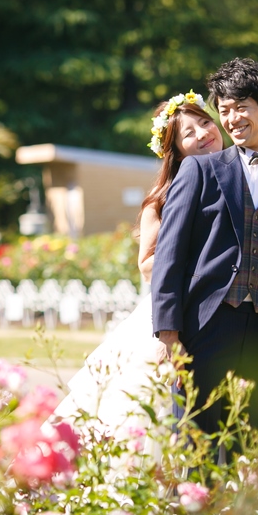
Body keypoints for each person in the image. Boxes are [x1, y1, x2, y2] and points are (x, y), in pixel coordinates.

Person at [50, 91, 223, 457]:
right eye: (188, 132)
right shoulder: (161, 199)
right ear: (175, 151)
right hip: (172, 312)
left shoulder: (241, 178)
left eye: (204, 122)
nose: (203, 133)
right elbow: (147, 264)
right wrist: (193, 261)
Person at [151, 58, 258, 444]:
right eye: (223, 110)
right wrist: (168, 335)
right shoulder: (200, 171)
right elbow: (169, 255)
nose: (231, 119)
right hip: (205, 327)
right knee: (196, 448)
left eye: (241, 107)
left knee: (247, 454)